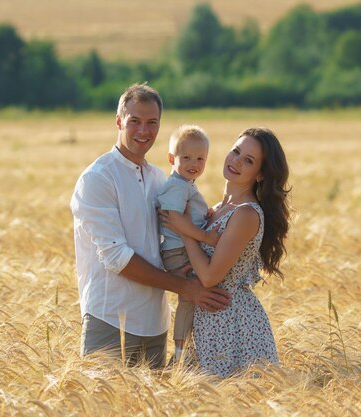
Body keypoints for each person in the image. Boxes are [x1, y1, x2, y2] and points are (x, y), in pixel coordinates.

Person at [70, 83, 232, 368]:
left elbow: (176, 234)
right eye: (135, 121)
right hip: (109, 318)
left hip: (155, 325)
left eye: (151, 123)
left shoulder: (160, 179)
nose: (143, 131)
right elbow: (116, 258)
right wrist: (187, 287)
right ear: (119, 121)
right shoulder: (98, 178)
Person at [160, 127, 290, 377]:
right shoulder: (218, 208)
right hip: (207, 319)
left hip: (232, 324)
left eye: (248, 160)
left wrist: (185, 230)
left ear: (260, 174)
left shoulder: (246, 214)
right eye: (236, 151)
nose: (236, 161)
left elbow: (209, 278)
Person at [156, 125, 218, 363]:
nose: (194, 163)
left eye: (200, 158)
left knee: (195, 296)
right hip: (178, 252)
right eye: (187, 157)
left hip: (181, 248)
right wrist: (205, 237)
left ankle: (188, 347)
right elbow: (174, 218)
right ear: (172, 159)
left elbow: (186, 215)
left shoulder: (186, 184)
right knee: (189, 297)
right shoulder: (176, 185)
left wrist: (205, 216)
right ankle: (181, 350)